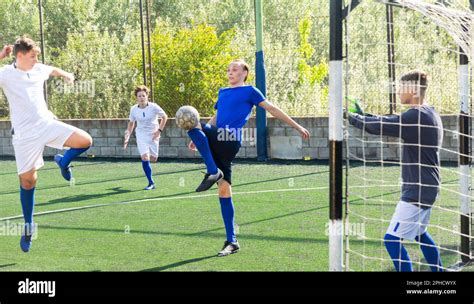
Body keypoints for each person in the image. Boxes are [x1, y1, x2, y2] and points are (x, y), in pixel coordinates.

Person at [183, 59, 310, 256]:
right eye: (228, 70)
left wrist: (297, 126)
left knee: (190, 119)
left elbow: (272, 109)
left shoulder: (250, 91)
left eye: (235, 69)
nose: (230, 72)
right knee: (224, 191)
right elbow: (216, 118)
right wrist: (199, 135)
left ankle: (211, 170)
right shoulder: (222, 92)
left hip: (230, 139)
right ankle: (232, 241)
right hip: (217, 139)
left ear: (244, 73)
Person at [0, 37, 92, 252]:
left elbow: (53, 70)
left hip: (46, 124)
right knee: (28, 182)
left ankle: (63, 160)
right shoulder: (5, 74)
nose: (35, 60)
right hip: (24, 136)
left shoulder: (38, 68)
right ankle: (29, 226)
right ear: (19, 55)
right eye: (32, 56)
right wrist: (1, 55)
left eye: (36, 56)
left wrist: (67, 75)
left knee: (86, 141)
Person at [348, 70, 444, 272]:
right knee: (420, 233)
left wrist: (351, 117)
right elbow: (390, 121)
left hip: (417, 190)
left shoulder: (414, 116)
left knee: (391, 241)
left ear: (413, 90)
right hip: (428, 186)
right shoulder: (429, 112)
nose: (398, 91)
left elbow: (378, 126)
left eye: (401, 88)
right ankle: (439, 274)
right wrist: (365, 116)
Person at [124, 85, 168, 190]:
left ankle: (150, 174)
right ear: (136, 98)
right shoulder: (133, 109)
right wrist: (128, 135)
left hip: (153, 134)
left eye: (143, 96)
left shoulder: (154, 107)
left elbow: (164, 117)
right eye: (139, 96)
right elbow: (131, 123)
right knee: (145, 157)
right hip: (141, 135)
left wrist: (159, 131)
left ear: (147, 96)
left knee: (153, 159)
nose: (142, 98)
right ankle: (151, 183)